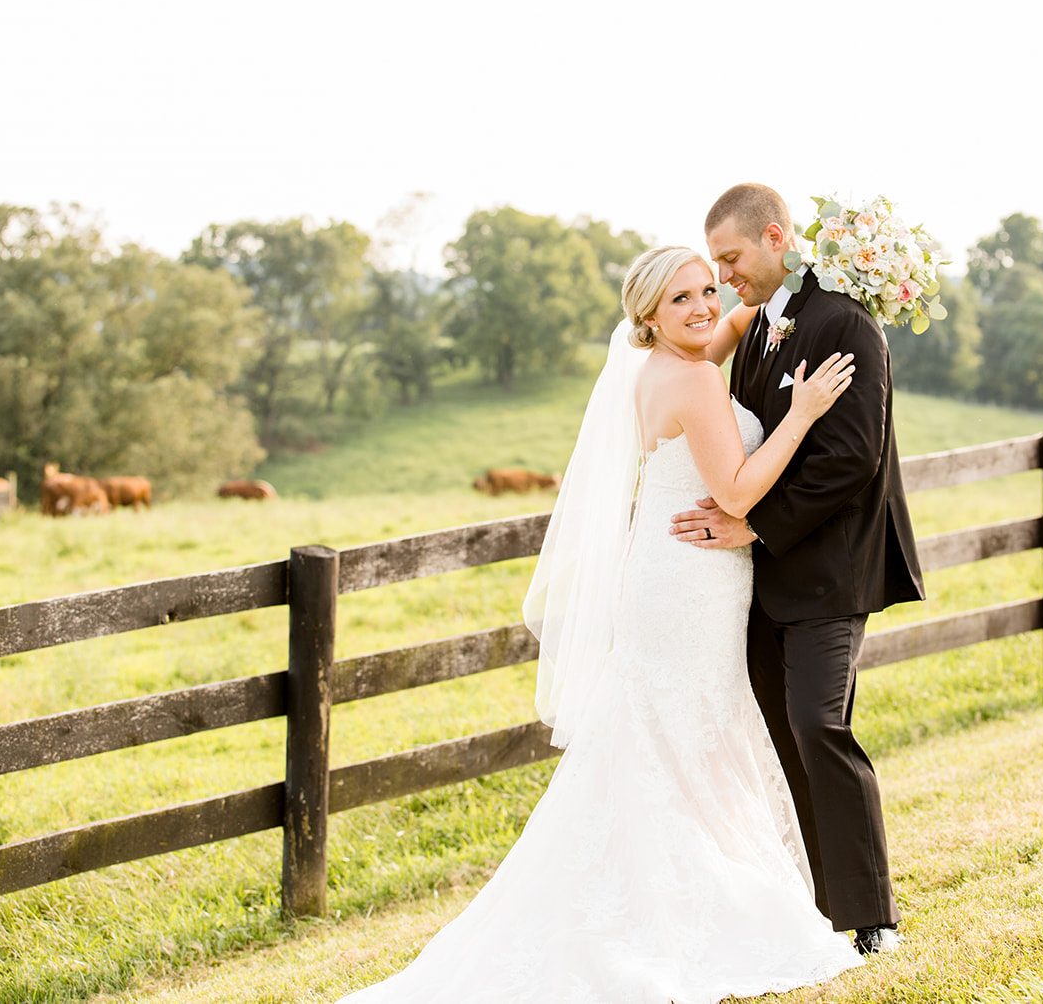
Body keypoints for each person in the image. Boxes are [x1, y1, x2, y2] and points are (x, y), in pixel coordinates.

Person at [337, 245, 863, 1003]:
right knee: (685, 733)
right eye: (680, 298)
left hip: (664, 573)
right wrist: (804, 413)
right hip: (692, 580)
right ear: (647, 314)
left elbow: (735, 317)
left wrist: (814, 274)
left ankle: (663, 880)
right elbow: (741, 492)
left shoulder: (655, 367)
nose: (702, 307)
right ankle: (683, 901)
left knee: (664, 733)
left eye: (707, 289)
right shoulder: (692, 381)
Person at [671, 183, 926, 956]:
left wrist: (753, 522)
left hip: (830, 574)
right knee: (785, 741)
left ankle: (872, 914)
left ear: (776, 237)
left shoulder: (844, 322)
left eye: (731, 259)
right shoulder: (757, 331)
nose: (723, 278)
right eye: (714, 264)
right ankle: (821, 910)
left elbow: (852, 457)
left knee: (821, 725)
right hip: (762, 584)